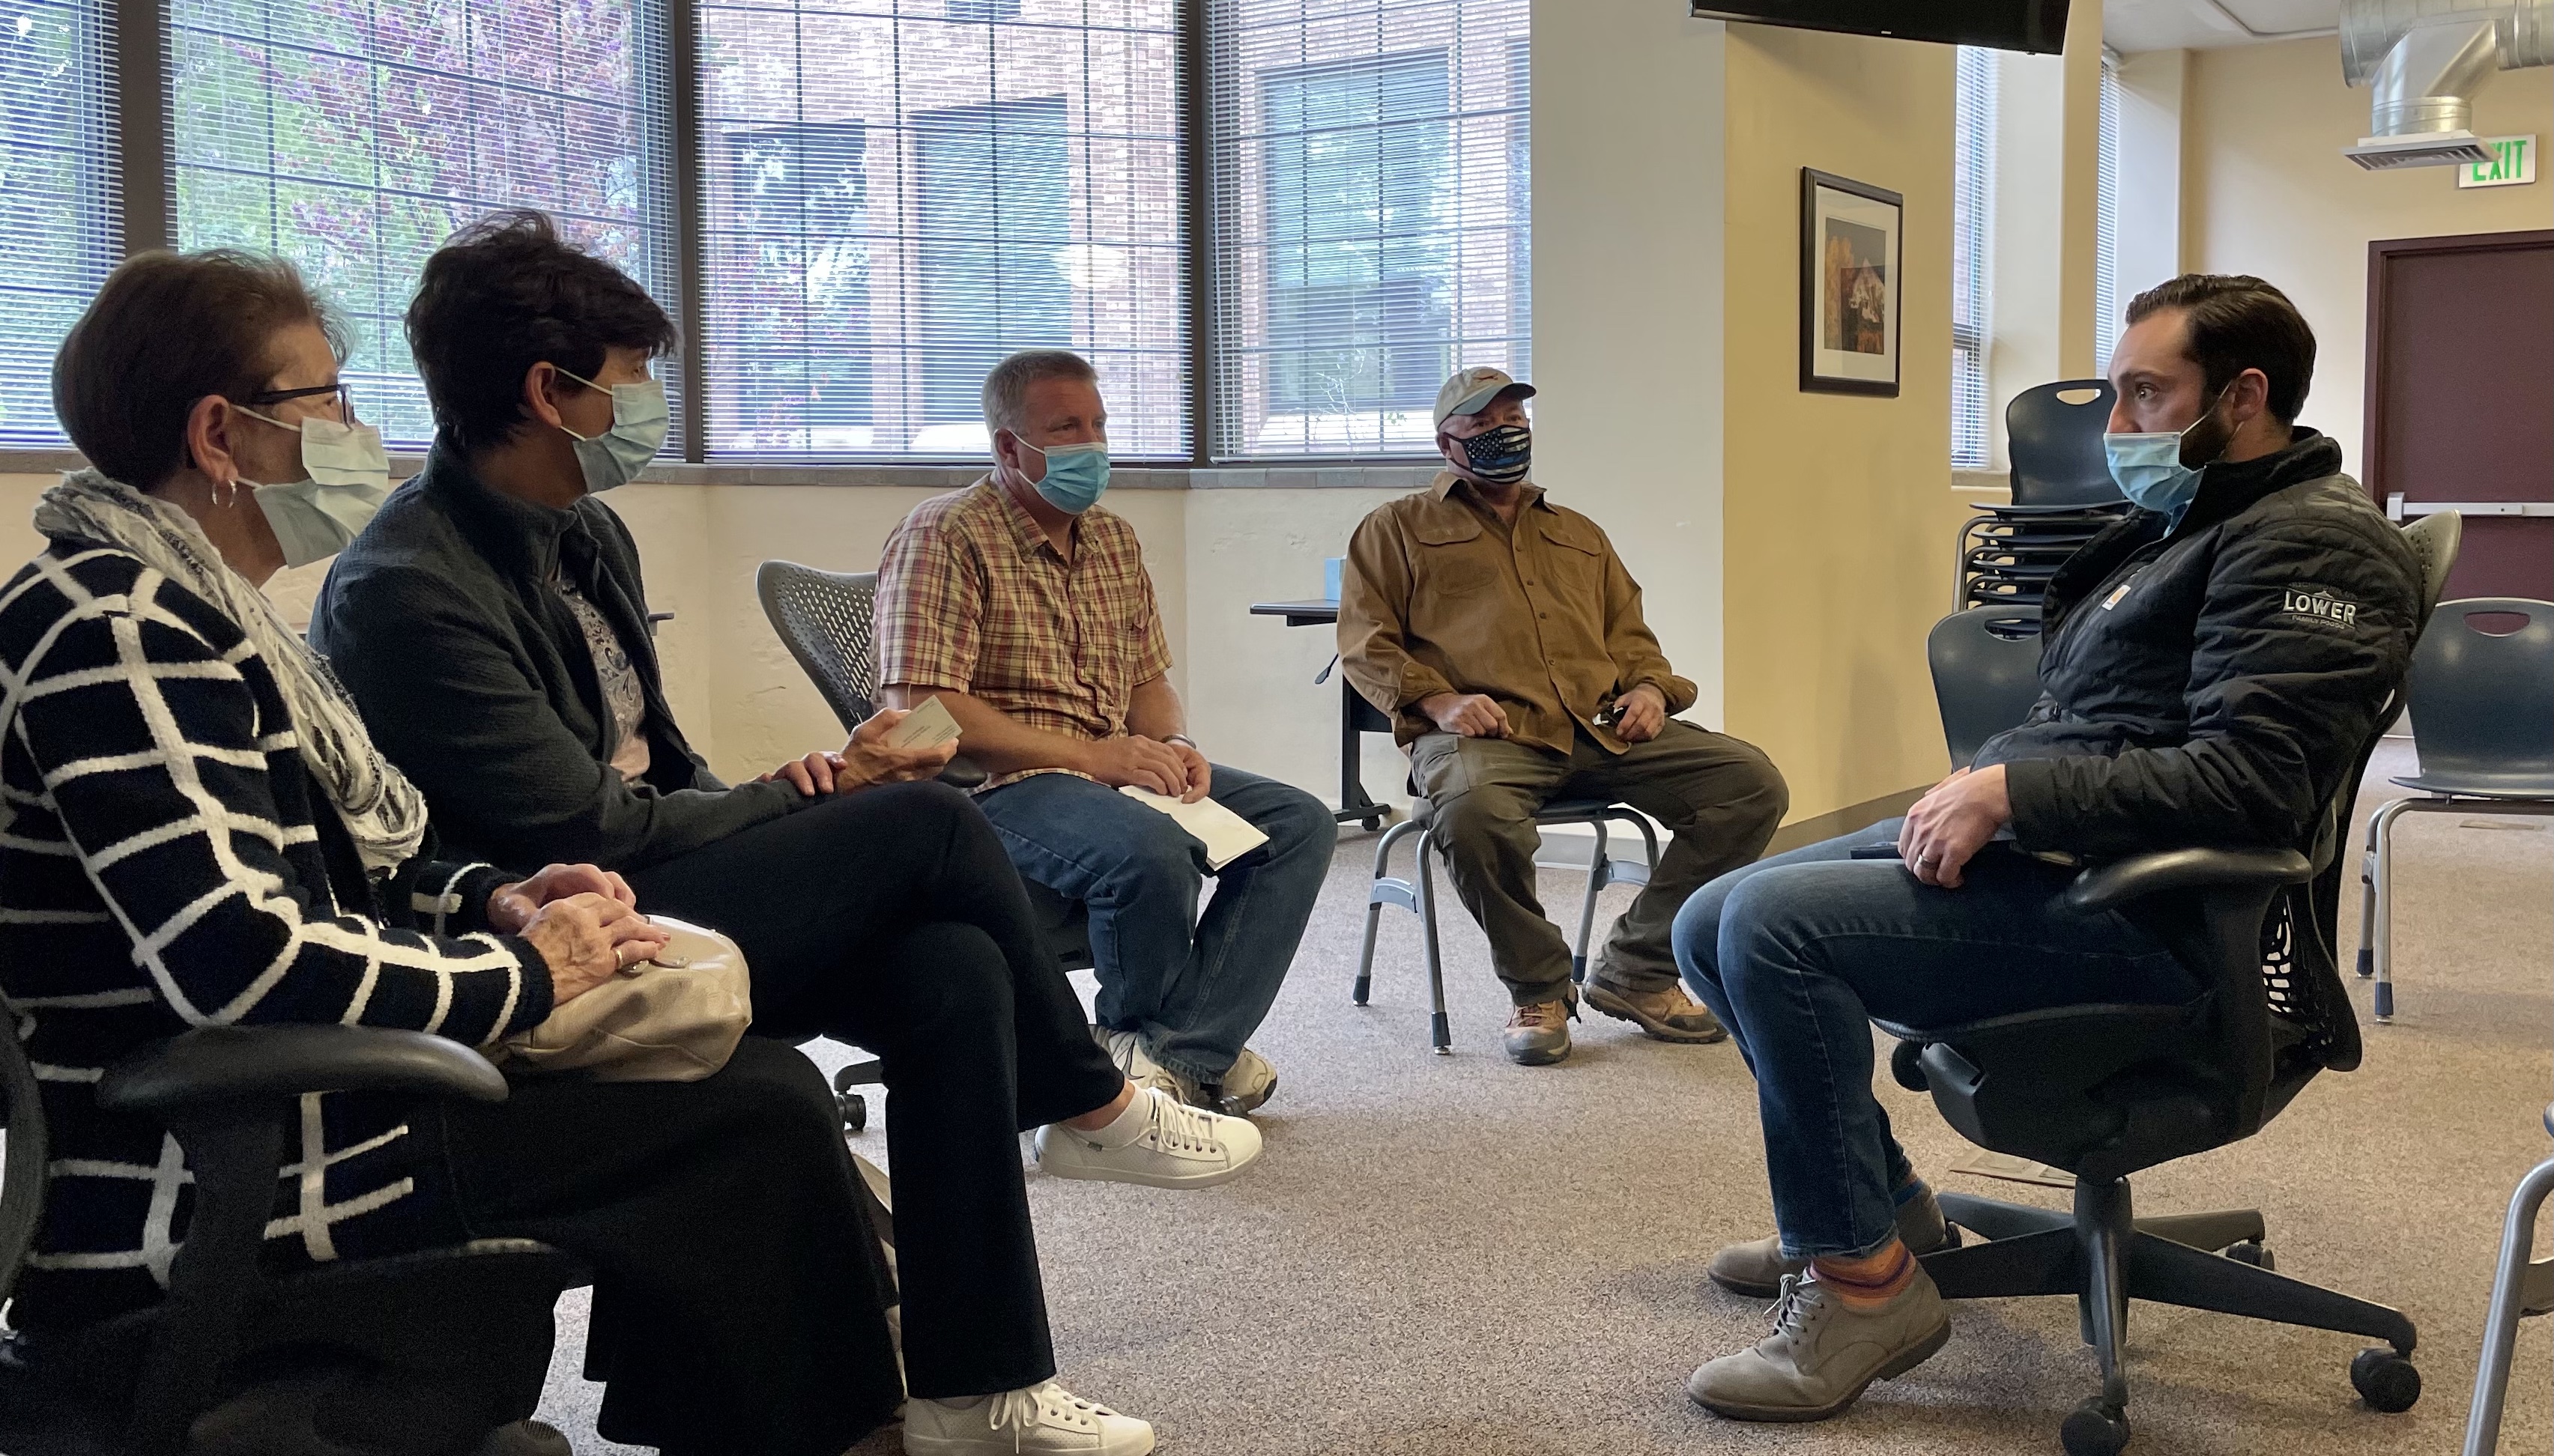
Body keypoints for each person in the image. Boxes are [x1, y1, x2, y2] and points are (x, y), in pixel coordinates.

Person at [310, 213, 1249, 1456]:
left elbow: (663, 757)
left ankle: (977, 1392)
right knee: (919, 815)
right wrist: (817, 791)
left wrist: (781, 784)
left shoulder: (584, 529)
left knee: (953, 971)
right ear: (552, 389)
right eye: (632, 380)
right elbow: (584, 823)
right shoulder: (407, 585)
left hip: (663, 867)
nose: (648, 407)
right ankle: (1086, 1096)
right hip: (579, 922)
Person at [2, 246, 925, 1456]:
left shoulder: (202, 615)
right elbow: (243, 957)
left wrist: (489, 896)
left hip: (313, 1102)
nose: (352, 428)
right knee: (749, 1121)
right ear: (219, 435)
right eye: (322, 400)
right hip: (217, 1168)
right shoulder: (115, 626)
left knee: (760, 1093)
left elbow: (339, 872)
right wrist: (532, 973)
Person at [1672, 275, 2424, 1423]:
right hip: (2071, 860)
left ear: (2246, 395)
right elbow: (2111, 715)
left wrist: (2016, 791)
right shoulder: (2200, 517)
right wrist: (1984, 789)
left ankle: (1863, 1288)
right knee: (1706, 918)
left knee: (1771, 931)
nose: (2117, 427)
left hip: (2152, 922)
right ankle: (1882, 1211)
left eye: (2144, 395)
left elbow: (2255, 783)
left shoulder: (2315, 545)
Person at [871, 349, 1336, 1114]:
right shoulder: (943, 534)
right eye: (1065, 427)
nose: (1091, 444)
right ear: (1008, 448)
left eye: (1098, 424)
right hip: (991, 787)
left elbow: (1148, 680)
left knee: (1299, 824)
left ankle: (1173, 1050)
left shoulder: (1114, 540)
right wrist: (1095, 756)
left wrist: (1174, 747)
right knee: (1149, 854)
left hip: (1109, 768)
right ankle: (1158, 1055)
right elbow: (929, 706)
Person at [1336, 366, 1788, 1066]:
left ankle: (1636, 968)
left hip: (1598, 727)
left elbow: (1631, 638)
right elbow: (1366, 645)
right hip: (1487, 735)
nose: (1504, 434)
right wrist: (1439, 701)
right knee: (1473, 812)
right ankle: (1538, 988)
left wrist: (1650, 691)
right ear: (1443, 442)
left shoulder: (1578, 534)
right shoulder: (1395, 528)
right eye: (1483, 425)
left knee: (1749, 783)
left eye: (1514, 421)